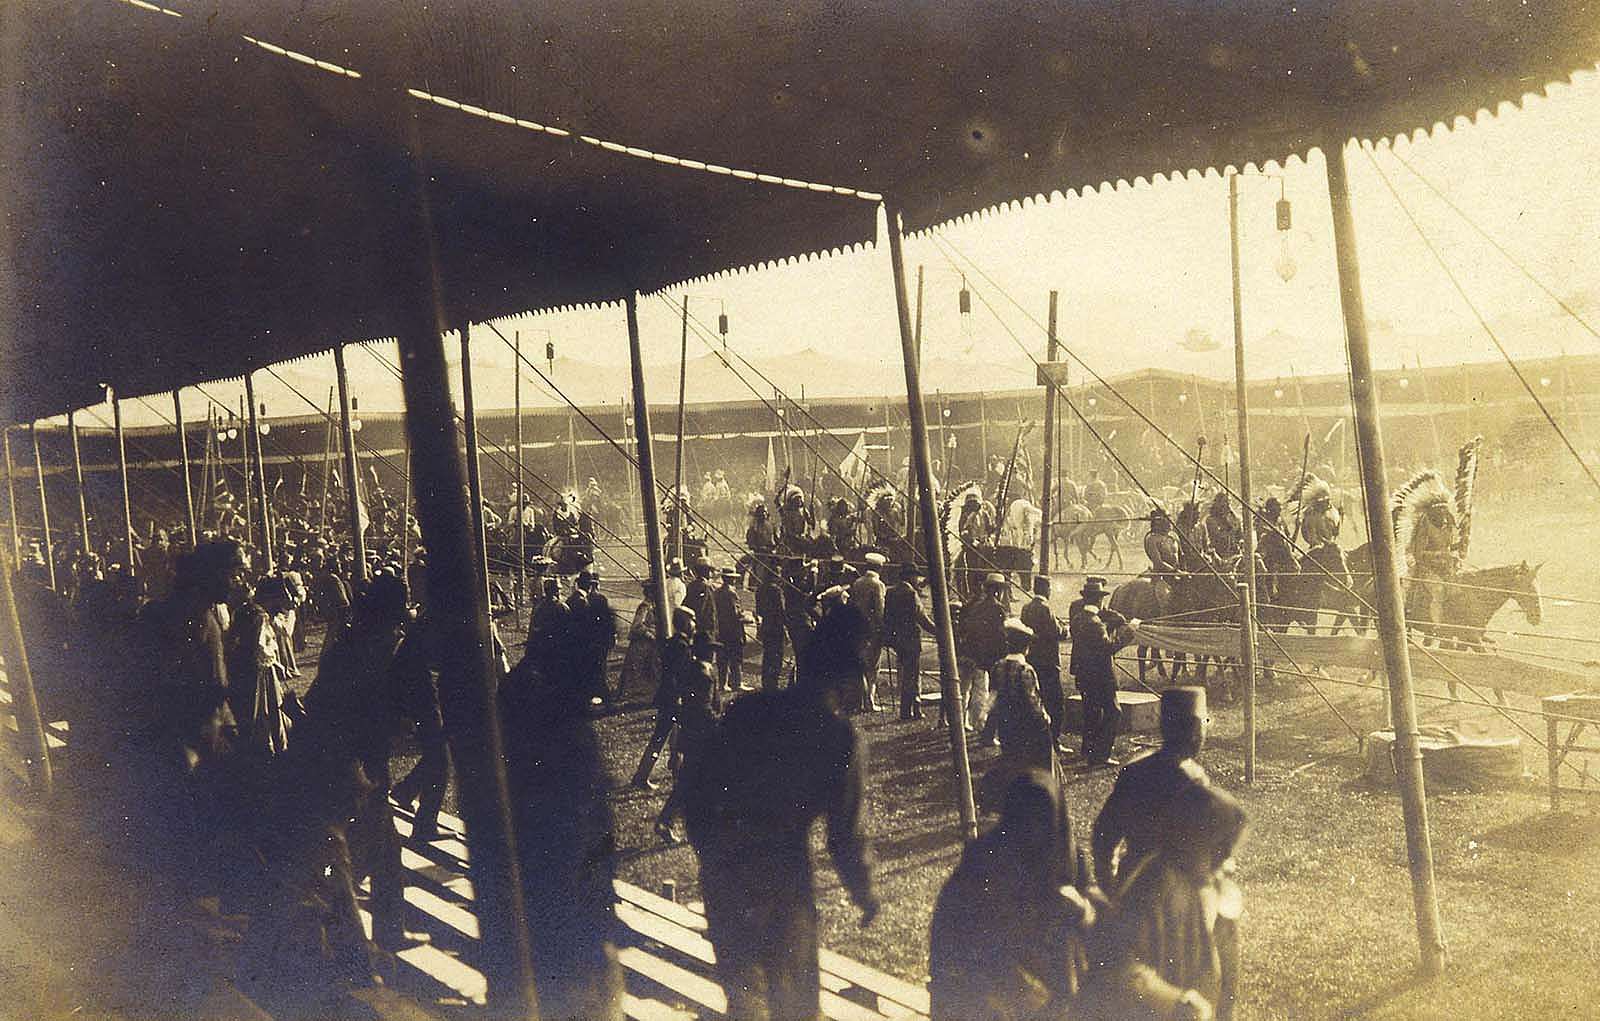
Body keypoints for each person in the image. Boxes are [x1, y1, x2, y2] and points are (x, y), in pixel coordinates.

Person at [683, 603, 880, 1021]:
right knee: (795, 1005)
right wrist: (864, 893)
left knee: (744, 1003)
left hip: (725, 872)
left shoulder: (749, 710)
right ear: (848, 678)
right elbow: (844, 837)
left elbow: (696, 788)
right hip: (782, 880)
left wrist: (713, 853)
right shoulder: (840, 737)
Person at [500, 636, 626, 1021]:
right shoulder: (565, 737)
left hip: (543, 887)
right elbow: (592, 824)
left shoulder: (524, 717)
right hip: (570, 891)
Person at [929, 770, 1095, 1021]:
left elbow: (1094, 920)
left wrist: (1082, 908)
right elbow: (958, 945)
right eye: (1025, 819)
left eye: (1043, 819)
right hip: (985, 985)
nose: (1033, 829)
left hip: (1049, 988)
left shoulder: (1067, 856)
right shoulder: (984, 860)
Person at [1080, 782, 1246, 1021]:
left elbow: (1224, 968)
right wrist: (1173, 1001)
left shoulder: (1211, 887)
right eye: (1217, 848)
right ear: (1190, 839)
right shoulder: (1156, 881)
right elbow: (1119, 961)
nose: (1223, 860)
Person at [1091, 686, 1212, 887]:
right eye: (1203, 724)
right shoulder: (1193, 781)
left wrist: (1109, 885)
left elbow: (1104, 834)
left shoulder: (1135, 771)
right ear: (1195, 731)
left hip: (1134, 881)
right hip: (1179, 892)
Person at [1068, 576, 1136, 768]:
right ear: (1099, 600)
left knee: (1091, 711)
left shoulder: (1078, 618)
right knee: (1113, 712)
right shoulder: (1096, 624)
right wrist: (1129, 631)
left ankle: (1088, 749)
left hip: (1084, 673)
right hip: (1101, 676)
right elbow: (1110, 647)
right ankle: (1101, 754)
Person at [629, 605, 700, 790]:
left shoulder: (672, 643)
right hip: (675, 698)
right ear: (685, 623)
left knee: (668, 736)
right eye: (692, 621)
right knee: (666, 737)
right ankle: (644, 776)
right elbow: (683, 676)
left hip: (667, 696)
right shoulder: (682, 646)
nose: (694, 624)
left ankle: (670, 773)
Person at [1020, 575, 1067, 751]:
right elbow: (1056, 632)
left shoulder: (1026, 608)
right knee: (1056, 702)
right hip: (1048, 662)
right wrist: (1064, 630)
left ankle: (1036, 739)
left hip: (1032, 660)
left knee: (1036, 700)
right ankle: (1054, 740)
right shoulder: (1046, 609)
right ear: (1047, 590)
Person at [955, 573, 1007, 732]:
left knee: (965, 689)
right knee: (981, 691)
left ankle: (961, 721)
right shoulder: (998, 608)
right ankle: (980, 723)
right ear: (998, 591)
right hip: (987, 656)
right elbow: (1000, 635)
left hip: (970, 652)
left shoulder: (975, 606)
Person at [883, 565, 935, 720]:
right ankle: (913, 710)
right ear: (910, 577)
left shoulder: (891, 592)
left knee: (904, 674)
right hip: (911, 638)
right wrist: (938, 631)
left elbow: (887, 616)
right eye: (915, 576)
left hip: (897, 639)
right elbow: (921, 617)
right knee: (912, 676)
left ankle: (906, 710)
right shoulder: (911, 593)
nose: (917, 579)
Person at [850, 552, 888, 711]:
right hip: (872, 631)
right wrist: (883, 628)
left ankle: (859, 701)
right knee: (873, 666)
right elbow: (879, 610)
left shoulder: (857, 583)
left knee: (860, 665)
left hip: (856, 628)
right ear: (879, 568)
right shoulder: (877, 584)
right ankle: (870, 702)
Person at [714, 567, 748, 699]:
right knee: (736, 657)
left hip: (721, 630)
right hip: (733, 630)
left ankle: (722, 684)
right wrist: (745, 617)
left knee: (722, 658)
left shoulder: (717, 592)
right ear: (731, 579)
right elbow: (736, 613)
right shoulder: (731, 593)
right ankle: (736, 682)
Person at [754, 558, 788, 693]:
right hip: (776, 627)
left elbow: (759, 610)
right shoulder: (777, 591)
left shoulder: (759, 589)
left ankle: (766, 682)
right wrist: (786, 627)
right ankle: (772, 683)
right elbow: (781, 610)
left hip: (766, 625)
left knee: (767, 655)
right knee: (776, 656)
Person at [684, 556, 721, 663]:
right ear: (707, 572)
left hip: (694, 630)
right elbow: (706, 610)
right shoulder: (707, 587)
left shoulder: (691, 586)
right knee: (706, 661)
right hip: (706, 631)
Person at [1203, 492, 1241, 562]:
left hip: (1234, 552)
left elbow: (1240, 536)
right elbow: (1218, 537)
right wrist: (1228, 524)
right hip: (1219, 554)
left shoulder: (1235, 519)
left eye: (1228, 504)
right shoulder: (1211, 520)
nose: (1227, 507)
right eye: (1224, 504)